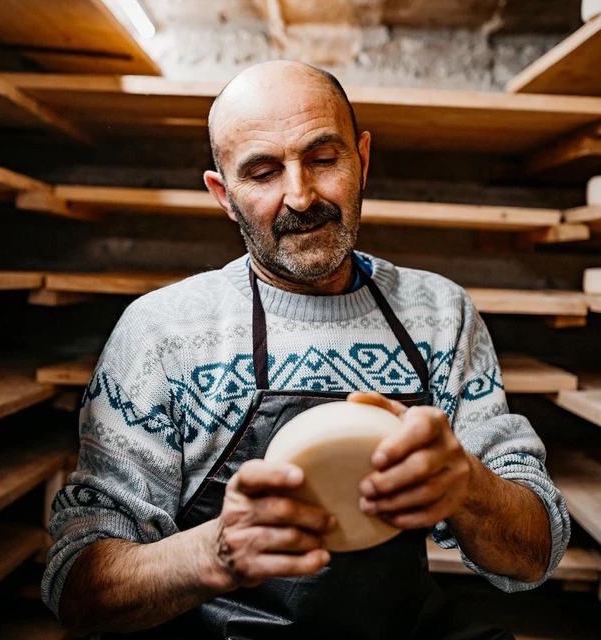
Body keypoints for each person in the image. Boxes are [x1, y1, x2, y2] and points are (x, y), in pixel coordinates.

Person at [42, 61, 569, 639]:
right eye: (264, 172)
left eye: (323, 159)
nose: (301, 195)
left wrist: (466, 484)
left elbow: (533, 556)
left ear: (362, 159)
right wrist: (213, 554)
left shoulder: (440, 315)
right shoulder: (163, 333)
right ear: (224, 195)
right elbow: (77, 588)